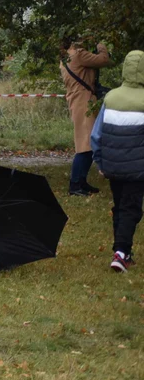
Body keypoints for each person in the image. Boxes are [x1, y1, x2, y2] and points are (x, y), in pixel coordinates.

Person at [90, 50, 144, 273]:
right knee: (131, 208)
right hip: (137, 167)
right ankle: (121, 253)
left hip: (112, 166)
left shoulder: (110, 98)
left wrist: (100, 162)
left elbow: (96, 135)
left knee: (120, 206)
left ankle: (123, 251)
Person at [60, 36, 113, 196]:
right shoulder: (79, 54)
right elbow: (104, 60)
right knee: (85, 144)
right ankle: (75, 184)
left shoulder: (67, 57)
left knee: (88, 143)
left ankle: (81, 181)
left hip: (80, 98)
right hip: (83, 99)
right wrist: (101, 44)